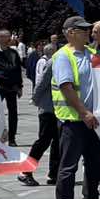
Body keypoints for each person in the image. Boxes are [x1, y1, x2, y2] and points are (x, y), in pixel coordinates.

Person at [51, 16, 100, 199]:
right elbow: (66, 87)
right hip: (73, 119)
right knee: (69, 165)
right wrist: (83, 112)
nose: (88, 32)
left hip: (93, 119)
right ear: (70, 33)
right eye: (83, 29)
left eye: (89, 29)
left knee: (95, 163)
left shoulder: (91, 52)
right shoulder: (63, 56)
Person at [20, 42, 62, 187]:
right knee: (44, 141)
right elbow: (42, 82)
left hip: (59, 109)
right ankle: (25, 171)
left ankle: (54, 174)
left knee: (57, 142)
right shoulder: (53, 62)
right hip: (47, 108)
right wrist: (35, 100)